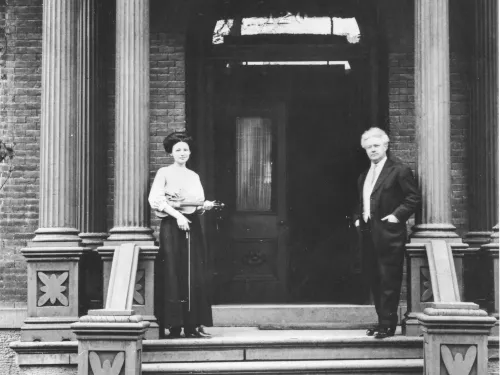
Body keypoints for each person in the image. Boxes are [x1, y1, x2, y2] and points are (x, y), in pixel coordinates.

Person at [354, 127, 420, 339]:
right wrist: (358, 217)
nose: (372, 150)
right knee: (374, 277)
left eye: (376, 146)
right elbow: (362, 201)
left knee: (388, 278)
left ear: (385, 146)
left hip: (389, 234)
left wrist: (395, 217)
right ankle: (382, 320)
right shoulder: (364, 175)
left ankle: (388, 326)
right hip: (368, 233)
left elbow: (412, 198)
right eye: (368, 147)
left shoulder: (399, 170)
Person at [149, 132, 214, 338]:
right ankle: (174, 325)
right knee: (173, 270)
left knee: (193, 272)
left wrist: (205, 207)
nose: (182, 153)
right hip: (172, 226)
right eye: (178, 149)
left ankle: (192, 325)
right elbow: (156, 200)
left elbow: (196, 203)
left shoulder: (193, 176)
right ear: (171, 152)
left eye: (185, 149)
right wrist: (178, 216)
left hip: (192, 225)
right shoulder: (164, 173)